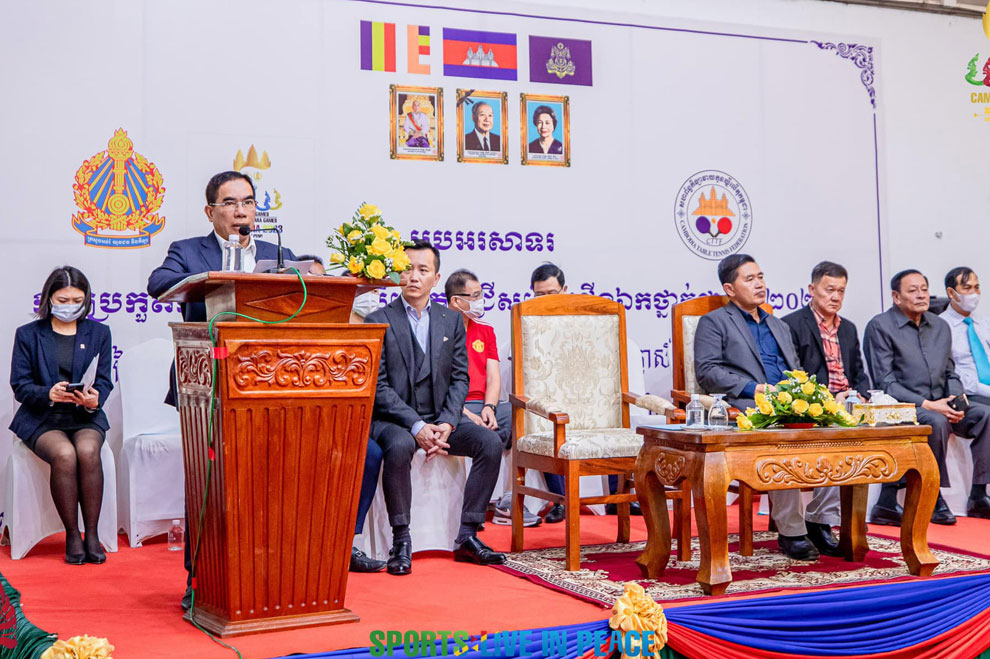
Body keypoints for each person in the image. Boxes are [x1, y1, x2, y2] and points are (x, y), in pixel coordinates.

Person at [147, 170, 299, 608]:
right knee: (210, 484)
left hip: (267, 380)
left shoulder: (278, 253)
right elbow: (158, 284)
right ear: (210, 210)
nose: (240, 211)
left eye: (248, 202)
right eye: (230, 203)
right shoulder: (188, 251)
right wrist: (213, 278)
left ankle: (263, 576)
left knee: (264, 482)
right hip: (205, 381)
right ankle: (201, 580)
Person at [366, 240, 505, 575]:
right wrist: (417, 426)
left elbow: (460, 378)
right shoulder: (378, 320)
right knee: (399, 446)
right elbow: (378, 387)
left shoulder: (450, 320)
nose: (413, 276)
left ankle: (468, 534)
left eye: (422, 270)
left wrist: (447, 423)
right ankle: (401, 540)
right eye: (407, 269)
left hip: (441, 419)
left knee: (489, 442)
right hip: (396, 420)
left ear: (436, 278)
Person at [694, 254, 821, 561]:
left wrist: (804, 394)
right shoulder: (714, 322)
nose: (759, 284)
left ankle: (822, 521)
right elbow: (707, 372)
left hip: (790, 403)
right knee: (783, 442)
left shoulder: (779, 325)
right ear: (730, 288)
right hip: (748, 406)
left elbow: (795, 369)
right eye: (749, 279)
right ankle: (793, 531)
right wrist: (757, 389)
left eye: (760, 277)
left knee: (839, 435)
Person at [864, 269, 990, 525]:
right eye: (913, 291)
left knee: (985, 415)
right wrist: (930, 405)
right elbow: (886, 382)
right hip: (905, 406)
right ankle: (932, 495)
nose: (921, 295)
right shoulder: (880, 326)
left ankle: (978, 494)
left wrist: (955, 400)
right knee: (936, 421)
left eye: (924, 289)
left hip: (941, 402)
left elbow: (950, 372)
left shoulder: (940, 326)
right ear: (896, 297)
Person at [9, 266, 113, 565]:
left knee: (88, 450)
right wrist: (48, 393)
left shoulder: (99, 332)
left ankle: (91, 534)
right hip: (42, 417)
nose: (70, 307)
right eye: (63, 300)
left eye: (77, 301)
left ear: (86, 300)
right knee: (65, 455)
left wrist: (94, 399)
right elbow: (20, 385)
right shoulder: (28, 334)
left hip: (84, 416)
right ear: (49, 299)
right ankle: (71, 534)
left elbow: (104, 380)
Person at [782, 261, 872, 556]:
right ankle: (818, 521)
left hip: (849, 406)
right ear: (812, 289)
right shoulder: (791, 325)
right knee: (837, 444)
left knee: (869, 441)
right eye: (829, 289)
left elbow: (859, 373)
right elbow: (793, 375)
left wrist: (861, 396)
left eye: (841, 291)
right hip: (813, 408)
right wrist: (828, 399)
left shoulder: (849, 328)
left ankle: (841, 520)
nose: (835, 296)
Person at [444, 269, 540, 528]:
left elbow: (494, 377)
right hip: (454, 407)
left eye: (481, 295)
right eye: (474, 296)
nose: (481, 301)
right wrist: (465, 412)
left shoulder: (485, 330)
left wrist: (489, 407)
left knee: (522, 418)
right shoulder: (438, 331)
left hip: (484, 404)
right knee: (484, 437)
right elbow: (438, 387)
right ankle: (468, 513)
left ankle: (508, 501)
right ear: (456, 301)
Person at [528, 263, 568, 523]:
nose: (544, 301)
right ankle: (560, 500)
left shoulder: (584, 321)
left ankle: (616, 498)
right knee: (543, 422)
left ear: (565, 290)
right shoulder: (526, 324)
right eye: (539, 295)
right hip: (546, 397)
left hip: (583, 395)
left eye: (551, 294)